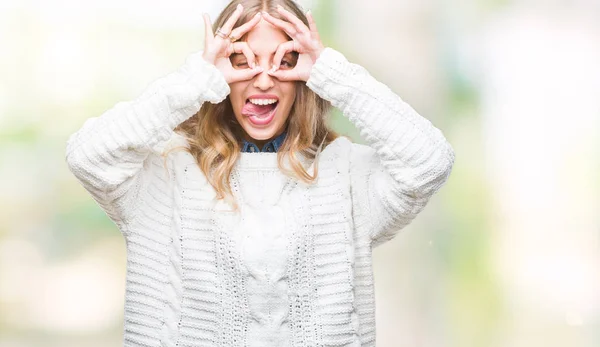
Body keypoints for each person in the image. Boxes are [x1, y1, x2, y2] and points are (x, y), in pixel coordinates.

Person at [65, 0, 455, 346]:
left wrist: (335, 76)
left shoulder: (345, 174)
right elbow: (88, 156)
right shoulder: (165, 176)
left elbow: (429, 161)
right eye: (242, 61)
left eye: (285, 62)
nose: (265, 79)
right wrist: (195, 80)